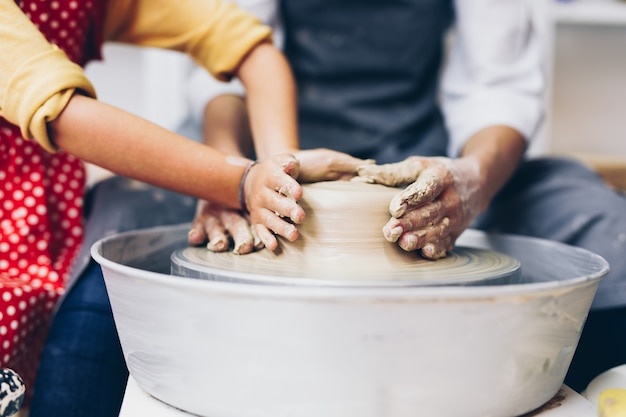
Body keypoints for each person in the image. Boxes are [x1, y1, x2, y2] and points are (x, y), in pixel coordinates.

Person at [184, 0, 626, 393]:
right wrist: (232, 174)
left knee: (610, 235)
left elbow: (499, 84)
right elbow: (229, 65)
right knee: (127, 215)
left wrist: (473, 180)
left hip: (418, 159)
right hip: (258, 146)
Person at [0, 1, 364, 416]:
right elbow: (62, 113)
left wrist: (282, 167)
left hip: (38, 216)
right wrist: (242, 182)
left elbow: (248, 44)